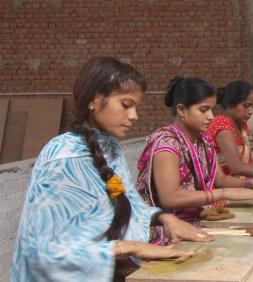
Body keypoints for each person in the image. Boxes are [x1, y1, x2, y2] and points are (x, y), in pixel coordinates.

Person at [11, 57, 212, 281]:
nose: (134, 116)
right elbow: (43, 253)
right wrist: (129, 247)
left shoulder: (110, 148)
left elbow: (128, 202)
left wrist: (164, 218)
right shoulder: (63, 158)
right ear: (94, 100)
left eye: (136, 107)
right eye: (126, 105)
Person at [136, 76, 253, 245]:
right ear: (182, 110)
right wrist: (222, 194)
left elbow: (220, 179)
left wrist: (252, 183)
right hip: (166, 228)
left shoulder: (202, 140)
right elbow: (170, 198)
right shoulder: (166, 143)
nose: (211, 116)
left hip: (195, 220)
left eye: (212, 110)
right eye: (203, 110)